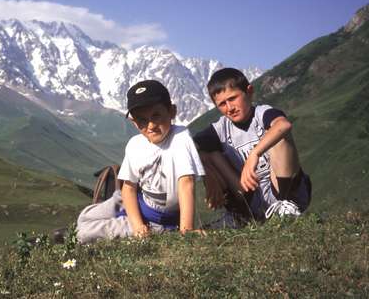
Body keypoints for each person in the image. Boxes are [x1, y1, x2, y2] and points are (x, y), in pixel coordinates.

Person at [76, 80, 205, 244]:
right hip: (133, 200)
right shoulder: (135, 144)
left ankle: (89, 232)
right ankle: (117, 223)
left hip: (156, 221)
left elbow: (186, 182)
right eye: (142, 120)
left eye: (156, 116)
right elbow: (128, 189)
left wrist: (186, 230)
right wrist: (137, 224)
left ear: (172, 111)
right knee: (85, 216)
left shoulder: (180, 137)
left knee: (82, 232)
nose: (150, 125)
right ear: (134, 122)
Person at [194, 68, 312, 227]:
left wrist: (254, 154)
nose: (230, 108)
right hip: (249, 196)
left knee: (279, 136)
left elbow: (283, 125)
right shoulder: (220, 128)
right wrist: (207, 176)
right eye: (222, 104)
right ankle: (240, 215)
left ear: (249, 92)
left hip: (282, 188)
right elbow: (190, 147)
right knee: (207, 154)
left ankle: (284, 207)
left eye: (233, 98)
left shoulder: (262, 113)